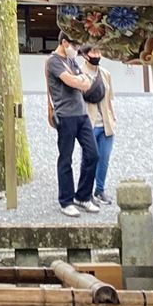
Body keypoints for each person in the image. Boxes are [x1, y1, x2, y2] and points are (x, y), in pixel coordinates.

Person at [45, 33, 103, 216]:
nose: (76, 50)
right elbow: (71, 81)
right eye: (74, 46)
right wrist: (78, 81)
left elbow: (85, 82)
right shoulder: (53, 61)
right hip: (65, 115)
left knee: (93, 154)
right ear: (64, 42)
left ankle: (83, 196)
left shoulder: (71, 61)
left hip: (82, 114)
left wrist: (78, 81)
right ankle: (66, 200)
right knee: (66, 158)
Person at [83, 46, 116, 204]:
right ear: (85, 54)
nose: (96, 55)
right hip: (89, 123)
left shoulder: (105, 74)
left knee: (105, 157)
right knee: (89, 159)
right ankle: (86, 192)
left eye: (98, 52)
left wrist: (113, 119)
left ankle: (100, 189)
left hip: (106, 123)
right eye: (93, 52)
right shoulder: (79, 73)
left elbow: (109, 99)